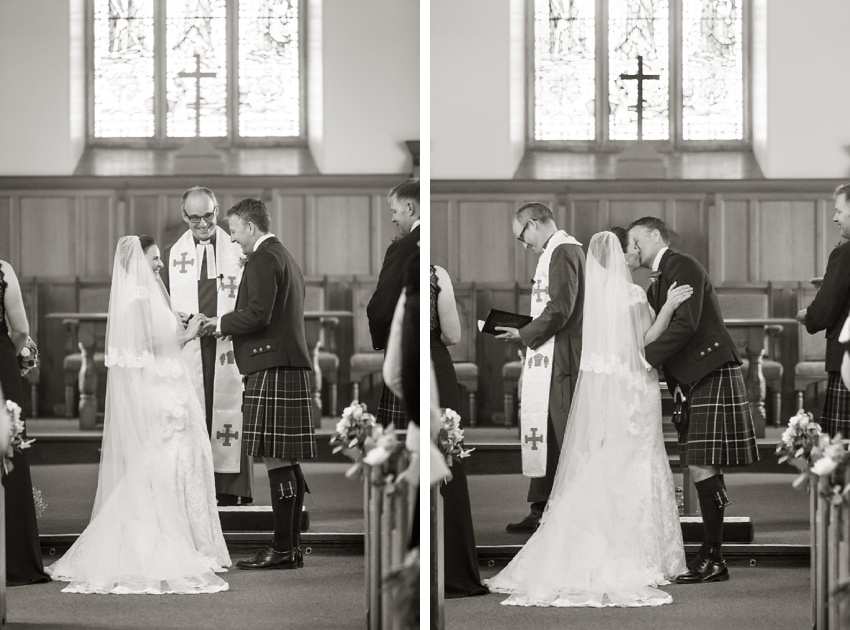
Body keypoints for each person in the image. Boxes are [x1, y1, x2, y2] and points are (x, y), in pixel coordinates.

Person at [485, 231, 689, 607]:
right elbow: (645, 342)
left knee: (603, 460)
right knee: (637, 459)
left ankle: (585, 541)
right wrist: (669, 308)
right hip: (632, 385)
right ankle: (645, 551)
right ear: (620, 253)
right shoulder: (633, 295)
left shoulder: (587, 300)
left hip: (597, 385)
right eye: (630, 249)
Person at [47, 236, 231, 594]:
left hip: (170, 385)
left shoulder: (146, 296)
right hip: (162, 390)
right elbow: (145, 345)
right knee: (171, 459)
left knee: (184, 458)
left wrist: (176, 322)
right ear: (139, 262)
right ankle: (174, 538)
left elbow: (154, 331)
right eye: (155, 259)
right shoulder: (138, 298)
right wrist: (187, 335)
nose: (160, 264)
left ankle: (192, 540)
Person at [628, 216, 759, 584]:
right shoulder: (657, 281)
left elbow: (685, 324)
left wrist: (643, 360)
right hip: (694, 377)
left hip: (710, 371)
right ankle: (711, 555)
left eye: (637, 240)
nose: (634, 248)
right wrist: (675, 380)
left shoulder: (681, 264)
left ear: (655, 236)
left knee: (703, 464)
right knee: (703, 465)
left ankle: (713, 556)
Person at [210, 198, 316, 570]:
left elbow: (258, 313)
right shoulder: (281, 254)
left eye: (235, 231)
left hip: (274, 366)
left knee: (276, 459)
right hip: (283, 364)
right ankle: (291, 546)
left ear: (250, 227)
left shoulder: (263, 257)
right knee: (284, 459)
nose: (233, 239)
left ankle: (283, 549)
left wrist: (219, 323)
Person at [494, 202, 584, 533]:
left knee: (560, 434)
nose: (524, 245)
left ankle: (563, 510)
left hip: (561, 360)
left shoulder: (563, 251)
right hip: (551, 355)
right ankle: (542, 507)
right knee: (544, 431)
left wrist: (524, 333)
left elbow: (561, 308)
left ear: (533, 223)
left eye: (522, 237)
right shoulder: (556, 251)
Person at [161, 186, 253, 506]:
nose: (203, 224)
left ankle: (231, 489)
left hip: (228, 343)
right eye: (195, 217)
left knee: (229, 412)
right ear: (184, 216)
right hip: (193, 346)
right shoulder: (176, 252)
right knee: (196, 411)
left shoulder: (236, 248)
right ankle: (196, 488)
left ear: (218, 209)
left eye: (209, 215)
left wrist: (222, 322)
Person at [431, 264, 487, 598]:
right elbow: (452, 335)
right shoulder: (435, 275)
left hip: (403, 369)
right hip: (434, 367)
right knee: (445, 460)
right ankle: (452, 570)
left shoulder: (393, 268)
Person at [0, 259, 50, 586]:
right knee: (9, 454)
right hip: (0, 362)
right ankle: (14, 561)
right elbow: (20, 330)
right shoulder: (2, 270)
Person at [797, 183, 850, 437]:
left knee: (841, 447)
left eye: (839, 211)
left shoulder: (845, 254)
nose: (834, 217)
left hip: (847, 359)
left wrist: (809, 315)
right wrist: (829, 285)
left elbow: (826, 310)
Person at [367, 178, 420, 427]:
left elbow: (382, 304)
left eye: (394, 210)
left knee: (403, 435)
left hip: (407, 345)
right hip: (436, 350)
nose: (392, 218)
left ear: (409, 208)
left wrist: (380, 339)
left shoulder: (403, 248)